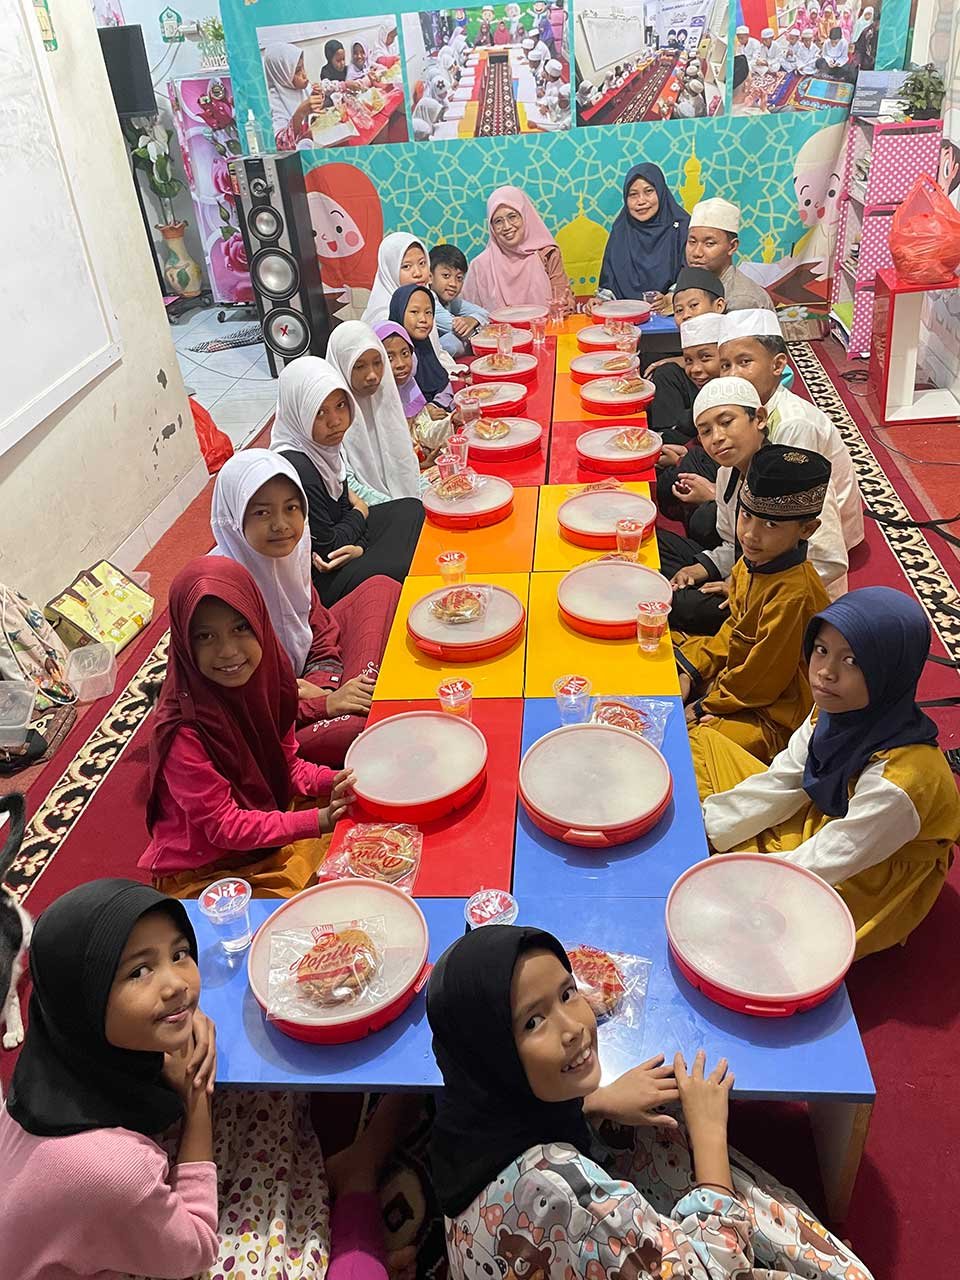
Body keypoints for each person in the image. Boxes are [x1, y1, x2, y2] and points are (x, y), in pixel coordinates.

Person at [0, 878, 412, 1280]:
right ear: (83, 998)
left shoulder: (49, 1065)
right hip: (148, 1242)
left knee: (257, 1100)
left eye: (179, 954)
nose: (177, 985)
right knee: (279, 1245)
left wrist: (179, 1018)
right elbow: (194, 1251)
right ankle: (358, 1202)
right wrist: (196, 1096)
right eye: (139, 971)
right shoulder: (116, 1169)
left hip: (89, 1219)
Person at [427, 924, 875, 1280]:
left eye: (567, 994)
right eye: (533, 1021)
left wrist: (594, 1103)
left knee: (636, 1128)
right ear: (493, 1051)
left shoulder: (468, 1118)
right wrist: (710, 1134)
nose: (574, 1028)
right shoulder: (567, 1192)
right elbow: (711, 1273)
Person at [694, 588, 960, 959]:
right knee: (701, 746)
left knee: (770, 942)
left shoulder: (903, 782)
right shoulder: (834, 709)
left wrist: (736, 887)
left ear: (890, 672)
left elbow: (832, 857)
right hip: (837, 818)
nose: (825, 672)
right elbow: (786, 778)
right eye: (821, 650)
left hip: (870, 865)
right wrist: (707, 828)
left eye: (852, 661)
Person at [142, 558, 354, 897]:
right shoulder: (183, 729)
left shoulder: (270, 682)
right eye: (205, 636)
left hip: (264, 823)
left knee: (368, 842)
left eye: (241, 628)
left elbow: (287, 766)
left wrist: (339, 780)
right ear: (183, 643)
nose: (228, 651)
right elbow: (224, 826)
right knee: (323, 900)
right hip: (210, 866)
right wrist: (320, 820)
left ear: (259, 620)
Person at [210, 450, 400, 765]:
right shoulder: (222, 599)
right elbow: (242, 709)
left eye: (291, 508)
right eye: (262, 513)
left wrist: (322, 683)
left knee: (382, 585)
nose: (281, 525)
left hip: (304, 683)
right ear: (234, 518)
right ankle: (363, 688)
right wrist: (324, 704)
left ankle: (358, 687)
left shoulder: (290, 555)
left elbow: (319, 624)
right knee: (357, 730)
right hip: (268, 727)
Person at [676, 444, 833, 762]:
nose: (749, 535)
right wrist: (693, 669)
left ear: (807, 529)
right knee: (658, 655)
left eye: (770, 525)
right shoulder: (750, 564)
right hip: (736, 686)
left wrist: (703, 706)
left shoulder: (794, 595)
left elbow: (763, 681)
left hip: (773, 713)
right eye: (746, 516)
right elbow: (735, 630)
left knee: (689, 750)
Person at [661, 376, 847, 633]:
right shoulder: (726, 473)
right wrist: (700, 568)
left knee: (677, 603)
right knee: (657, 543)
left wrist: (746, 587)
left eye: (726, 422)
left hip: (784, 600)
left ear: (759, 418)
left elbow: (830, 562)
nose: (717, 437)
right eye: (705, 431)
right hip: (746, 570)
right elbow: (734, 544)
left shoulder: (794, 477)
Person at [271, 357, 424, 606]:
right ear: (298, 411)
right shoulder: (299, 467)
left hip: (346, 540)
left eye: (341, 405)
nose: (335, 421)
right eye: (320, 412)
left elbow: (343, 508)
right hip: (321, 579)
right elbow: (327, 550)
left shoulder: (322, 447)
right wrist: (361, 511)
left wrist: (359, 545)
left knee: (412, 508)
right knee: (407, 564)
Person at [718, 309, 864, 553]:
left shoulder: (794, 424)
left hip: (808, 540)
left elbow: (792, 505)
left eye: (744, 362)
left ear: (777, 365)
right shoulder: (750, 407)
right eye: (725, 365)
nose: (733, 375)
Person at [326, 321, 423, 503]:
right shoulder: (333, 418)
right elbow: (348, 486)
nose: (372, 375)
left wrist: (425, 490)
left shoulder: (385, 396)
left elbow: (406, 462)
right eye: (359, 366)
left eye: (377, 363)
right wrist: (401, 507)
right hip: (366, 510)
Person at [589, 164, 690, 312]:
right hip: (626, 318)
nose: (641, 201)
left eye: (648, 191)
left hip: (673, 316)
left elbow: (691, 274)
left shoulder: (682, 227)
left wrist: (670, 297)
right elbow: (610, 282)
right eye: (633, 194)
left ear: (661, 191)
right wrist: (600, 301)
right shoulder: (621, 230)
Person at [462, 186, 574, 313]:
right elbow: (468, 313)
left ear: (525, 216)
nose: (507, 226)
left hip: (543, 325)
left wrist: (564, 305)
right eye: (498, 221)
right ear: (491, 227)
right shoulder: (480, 266)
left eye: (512, 217)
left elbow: (564, 299)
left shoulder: (547, 254)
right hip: (499, 327)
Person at [362, 233, 457, 373]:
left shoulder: (425, 298)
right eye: (406, 266)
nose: (418, 273)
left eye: (422, 263)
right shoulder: (384, 316)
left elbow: (435, 353)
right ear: (390, 271)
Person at [376, 320, 453, 470]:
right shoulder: (375, 403)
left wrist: (452, 422)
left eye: (405, 354)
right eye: (389, 358)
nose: (401, 364)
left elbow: (424, 431)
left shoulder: (409, 390)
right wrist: (419, 466)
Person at [262, 43, 359, 151]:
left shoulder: (301, 88)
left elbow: (314, 115)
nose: (304, 74)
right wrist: (300, 114)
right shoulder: (274, 103)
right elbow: (280, 145)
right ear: (282, 75)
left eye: (303, 67)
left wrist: (316, 97)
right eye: (297, 71)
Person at [685, 198, 775, 312]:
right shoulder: (695, 281)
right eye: (692, 242)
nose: (696, 253)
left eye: (709, 244)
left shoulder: (741, 300)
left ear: (732, 247)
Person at [389, 284, 458, 413]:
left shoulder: (425, 348)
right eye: (414, 312)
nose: (423, 319)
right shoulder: (391, 353)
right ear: (399, 312)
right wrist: (424, 413)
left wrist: (435, 405)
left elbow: (443, 384)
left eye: (428, 312)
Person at [430, 243, 490, 358]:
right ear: (430, 276)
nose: (453, 284)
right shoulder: (427, 299)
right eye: (446, 275)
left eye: (459, 278)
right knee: (452, 343)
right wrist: (475, 326)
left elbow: (486, 314)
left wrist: (472, 320)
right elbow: (456, 328)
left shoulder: (451, 300)